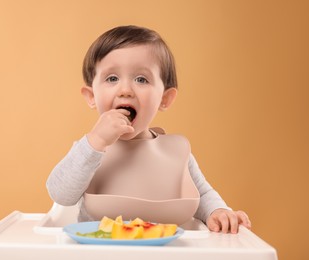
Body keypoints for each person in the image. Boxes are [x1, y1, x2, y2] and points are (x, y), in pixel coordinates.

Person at [47, 25, 251, 233]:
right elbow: (60, 193)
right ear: (91, 96)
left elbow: (202, 195)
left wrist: (218, 211)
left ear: (164, 99)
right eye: (112, 78)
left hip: (163, 252)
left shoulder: (175, 152)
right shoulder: (89, 150)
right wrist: (95, 142)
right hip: (100, 251)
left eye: (141, 79)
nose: (125, 90)